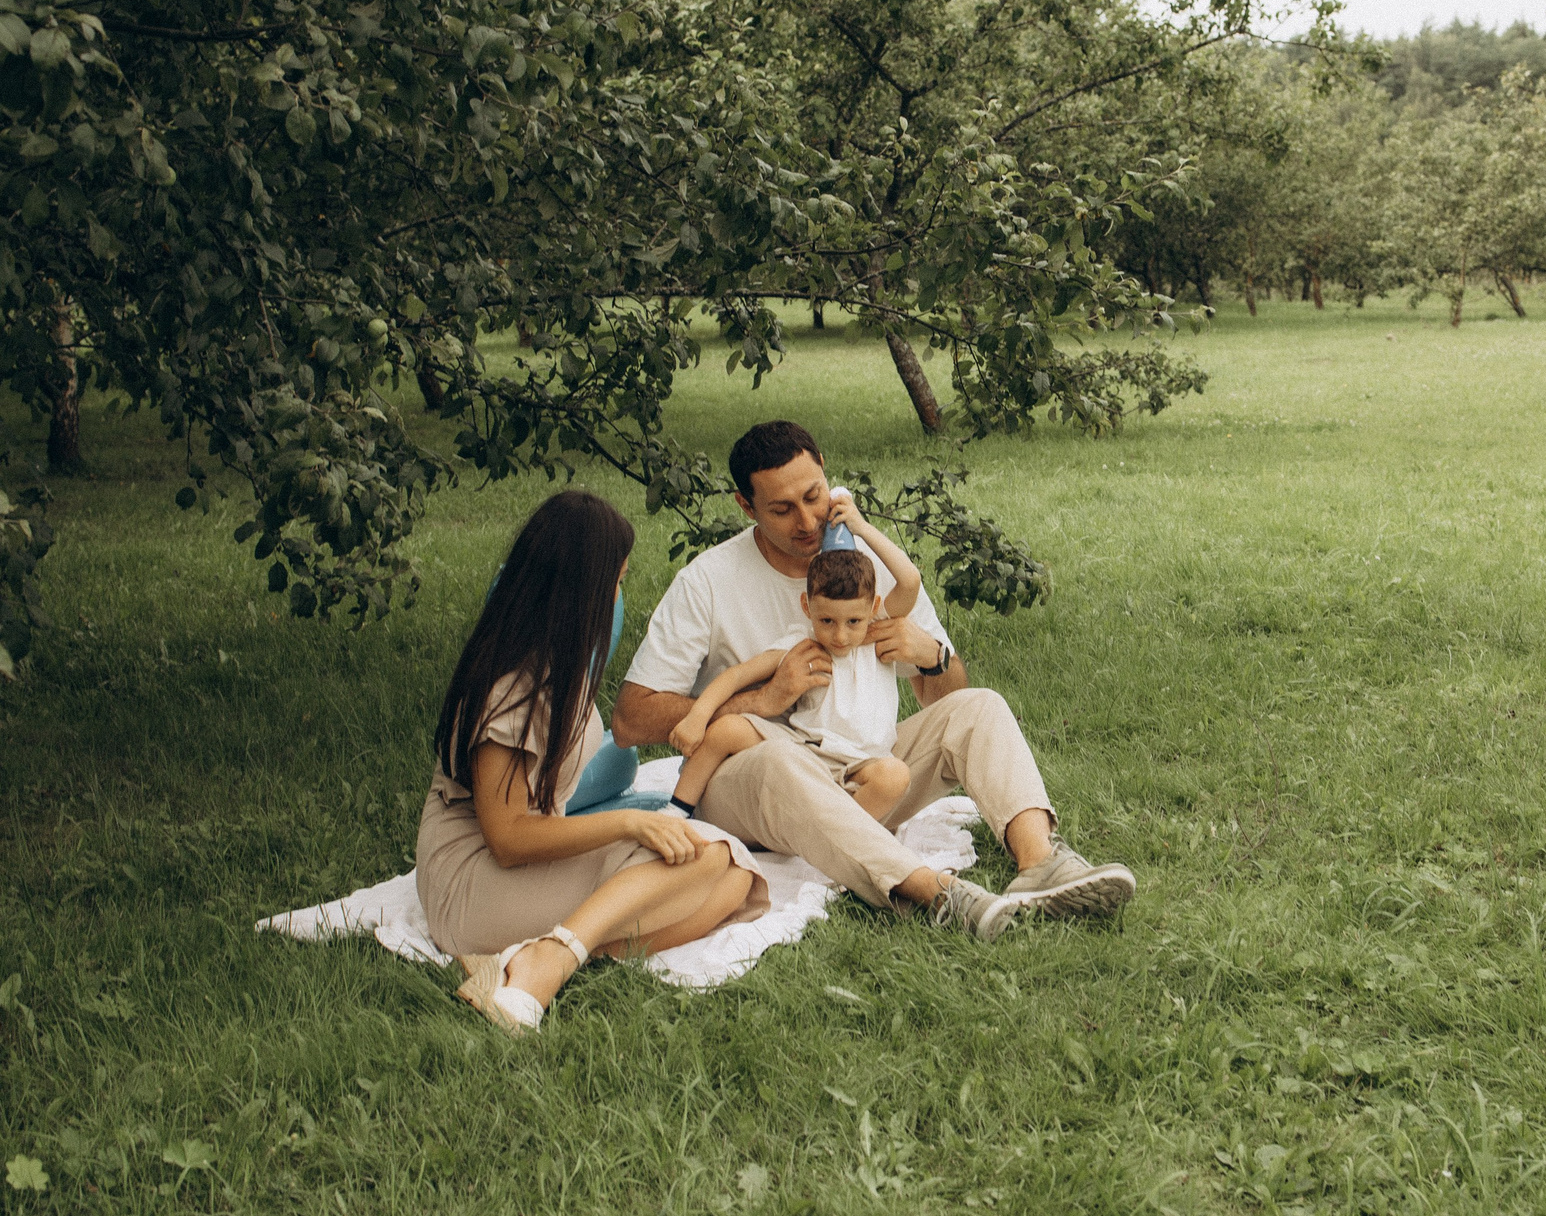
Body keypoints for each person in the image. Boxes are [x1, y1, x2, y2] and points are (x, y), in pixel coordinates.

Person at [613, 421, 1136, 939]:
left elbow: (945, 700)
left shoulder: (867, 566)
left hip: (863, 778)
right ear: (746, 506)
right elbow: (631, 719)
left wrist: (928, 655)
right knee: (780, 759)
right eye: (781, 508)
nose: (807, 520)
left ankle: (1041, 865)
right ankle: (937, 895)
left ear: (826, 477)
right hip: (750, 786)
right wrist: (766, 698)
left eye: (814, 496)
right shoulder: (706, 581)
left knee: (980, 707)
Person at [418, 491, 768, 1033]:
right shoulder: (514, 686)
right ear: (585, 588)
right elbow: (507, 840)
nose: (619, 595)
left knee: (733, 883)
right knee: (706, 857)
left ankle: (543, 955)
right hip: (470, 884)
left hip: (522, 861)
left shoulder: (560, 666)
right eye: (618, 580)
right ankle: (547, 962)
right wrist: (628, 823)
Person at [665, 490, 922, 823]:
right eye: (826, 620)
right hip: (803, 752)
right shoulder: (802, 642)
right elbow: (736, 676)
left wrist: (860, 527)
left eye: (853, 621)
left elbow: (910, 579)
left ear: (872, 609)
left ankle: (840, 841)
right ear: (807, 607)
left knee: (895, 776)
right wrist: (697, 717)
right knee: (727, 729)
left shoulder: (875, 634)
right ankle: (674, 812)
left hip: (863, 762)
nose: (840, 636)